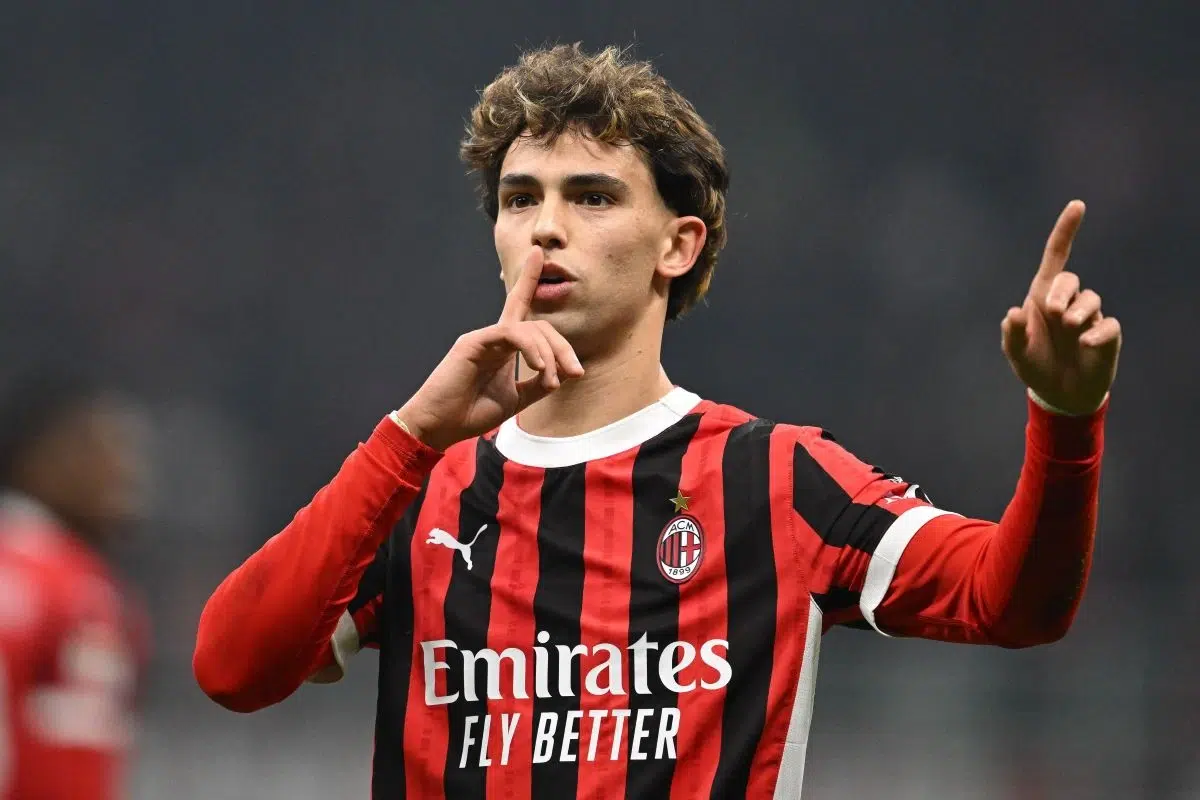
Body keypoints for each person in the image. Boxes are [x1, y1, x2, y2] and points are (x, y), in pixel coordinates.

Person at [193, 44, 1121, 799]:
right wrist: (409, 435)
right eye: (521, 200)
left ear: (680, 244)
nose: (546, 227)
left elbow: (1016, 605)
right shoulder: (418, 485)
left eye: (591, 196)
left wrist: (1065, 416)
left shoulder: (779, 480)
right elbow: (233, 668)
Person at [0, 371, 149, 799]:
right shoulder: (18, 573)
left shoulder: (98, 587)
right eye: (97, 447)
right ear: (38, 458)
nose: (122, 468)